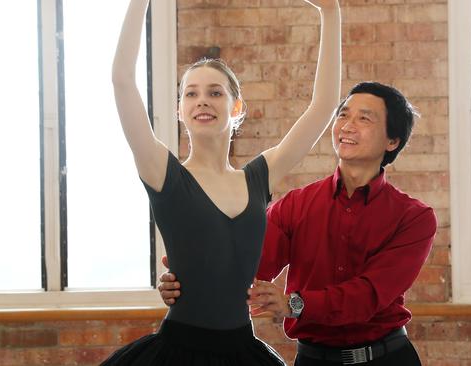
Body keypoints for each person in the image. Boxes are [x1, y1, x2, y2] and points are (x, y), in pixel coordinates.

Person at [105, 0, 341, 364]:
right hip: (176, 351)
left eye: (215, 92)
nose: (203, 101)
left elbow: (323, 106)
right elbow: (122, 80)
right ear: (180, 109)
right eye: (191, 93)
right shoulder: (162, 171)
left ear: (235, 107)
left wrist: (330, 11)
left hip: (242, 351)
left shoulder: (260, 175)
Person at [159, 81, 437, 365]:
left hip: (387, 358)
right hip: (312, 359)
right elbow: (248, 265)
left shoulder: (414, 217)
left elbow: (368, 295)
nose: (347, 126)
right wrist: (188, 277)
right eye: (343, 115)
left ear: (393, 141)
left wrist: (295, 303)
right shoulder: (295, 205)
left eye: (364, 118)